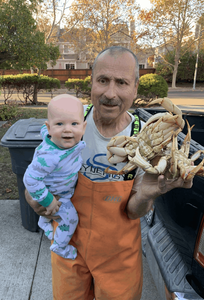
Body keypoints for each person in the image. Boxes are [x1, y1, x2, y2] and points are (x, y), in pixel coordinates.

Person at [25, 46, 192, 300]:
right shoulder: (69, 121)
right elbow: (35, 180)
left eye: (122, 82)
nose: (110, 93)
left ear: (135, 88)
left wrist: (147, 195)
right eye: (103, 80)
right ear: (91, 83)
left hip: (119, 257)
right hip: (69, 246)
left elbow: (132, 211)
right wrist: (34, 200)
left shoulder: (145, 136)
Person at [23, 94, 87, 260]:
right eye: (60, 124)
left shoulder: (54, 137)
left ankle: (44, 223)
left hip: (63, 188)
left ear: (84, 127)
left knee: (50, 217)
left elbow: (44, 130)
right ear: (49, 127)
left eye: (74, 123)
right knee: (71, 219)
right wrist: (48, 200)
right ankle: (60, 246)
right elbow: (30, 179)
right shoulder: (51, 157)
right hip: (59, 195)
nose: (67, 129)